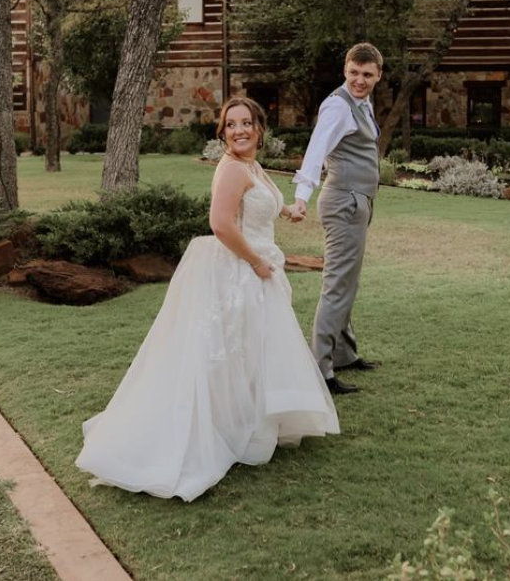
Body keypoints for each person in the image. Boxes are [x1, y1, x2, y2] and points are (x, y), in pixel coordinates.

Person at [75, 97, 339, 502]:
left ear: (259, 128)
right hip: (241, 269)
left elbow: (258, 202)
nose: (239, 130)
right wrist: (255, 263)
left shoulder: (252, 166)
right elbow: (219, 224)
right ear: (222, 132)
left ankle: (248, 422)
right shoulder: (232, 167)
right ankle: (222, 429)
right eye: (231, 125)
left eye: (246, 122)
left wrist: (287, 210)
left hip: (257, 266)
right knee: (229, 351)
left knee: (252, 351)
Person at [292, 43, 384, 395]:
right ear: (345, 69)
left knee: (348, 281)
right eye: (354, 73)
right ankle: (321, 369)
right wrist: (301, 198)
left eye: (367, 75)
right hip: (344, 202)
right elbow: (316, 151)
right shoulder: (337, 106)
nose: (359, 80)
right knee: (337, 284)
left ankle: (344, 353)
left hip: (358, 201)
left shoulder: (361, 103)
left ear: (378, 76)